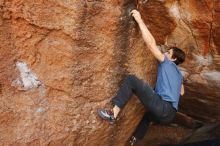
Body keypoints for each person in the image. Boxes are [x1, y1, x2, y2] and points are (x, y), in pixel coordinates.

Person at [97, 9, 186, 145]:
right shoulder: (179, 76)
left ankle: (113, 114)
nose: (165, 53)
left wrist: (139, 20)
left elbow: (151, 44)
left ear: (173, 58)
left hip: (163, 107)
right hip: (170, 115)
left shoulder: (167, 63)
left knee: (131, 80)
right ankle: (134, 140)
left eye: (168, 52)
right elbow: (182, 92)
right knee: (148, 116)